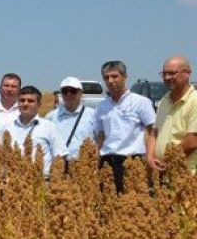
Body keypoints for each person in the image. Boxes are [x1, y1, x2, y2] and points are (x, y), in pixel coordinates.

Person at [93, 60, 156, 193]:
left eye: (114, 76)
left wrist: (150, 157)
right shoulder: (101, 106)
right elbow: (100, 136)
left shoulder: (141, 102)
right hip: (107, 162)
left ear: (124, 77)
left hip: (131, 162)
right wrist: (94, 161)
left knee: (131, 203)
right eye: (106, 77)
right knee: (108, 205)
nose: (110, 80)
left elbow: (152, 132)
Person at [1, 86, 67, 177]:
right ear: (17, 103)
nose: (25, 104)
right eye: (22, 100)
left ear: (39, 104)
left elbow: (60, 157)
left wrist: (55, 181)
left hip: (41, 181)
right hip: (13, 181)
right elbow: (0, 156)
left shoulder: (49, 127)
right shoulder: (7, 128)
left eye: (30, 101)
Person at [147, 55, 197, 174]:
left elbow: (192, 141)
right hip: (163, 171)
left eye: (172, 73)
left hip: (185, 174)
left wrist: (166, 161)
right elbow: (154, 133)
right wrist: (149, 157)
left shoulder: (195, 100)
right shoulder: (164, 100)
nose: (167, 77)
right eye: (164, 74)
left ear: (187, 73)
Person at [45, 77, 96, 162]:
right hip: (59, 167)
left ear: (81, 93)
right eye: (65, 91)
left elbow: (100, 141)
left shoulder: (92, 115)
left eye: (73, 91)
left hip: (84, 166)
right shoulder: (51, 117)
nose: (69, 94)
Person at [0, 73, 22, 143]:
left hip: (17, 153)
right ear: (0, 87)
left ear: (19, 89)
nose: (9, 89)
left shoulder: (23, 111)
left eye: (14, 86)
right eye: (6, 86)